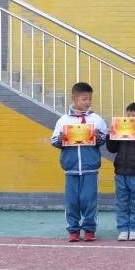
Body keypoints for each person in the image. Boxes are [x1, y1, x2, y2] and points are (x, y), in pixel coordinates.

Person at [51, 82, 108, 242]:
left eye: (89, 99)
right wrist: (61, 139)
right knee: (72, 202)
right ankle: (73, 230)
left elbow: (104, 138)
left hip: (90, 168)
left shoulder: (96, 119)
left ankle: (89, 229)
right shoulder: (63, 120)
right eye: (84, 99)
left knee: (89, 200)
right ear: (74, 98)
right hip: (71, 168)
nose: (87, 102)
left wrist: (98, 137)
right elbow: (54, 140)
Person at [106, 101, 135, 241]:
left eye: (134, 116)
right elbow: (112, 149)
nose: (130, 119)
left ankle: (134, 229)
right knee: (121, 202)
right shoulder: (121, 130)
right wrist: (111, 135)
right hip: (120, 172)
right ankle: (122, 229)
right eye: (128, 116)